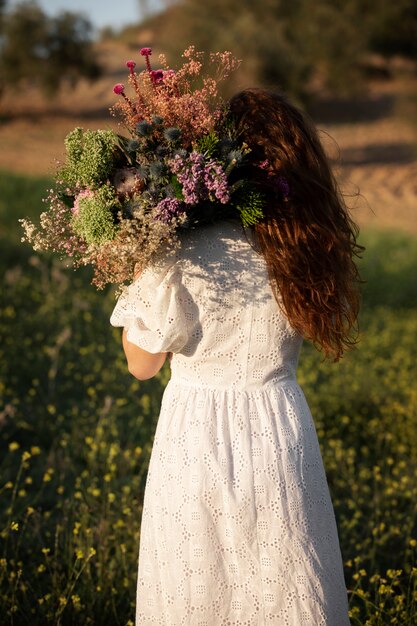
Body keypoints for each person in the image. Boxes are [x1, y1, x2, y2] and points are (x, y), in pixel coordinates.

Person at [110, 88, 361, 625]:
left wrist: (141, 259)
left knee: (196, 581)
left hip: (194, 431)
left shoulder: (179, 250)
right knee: (285, 574)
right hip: (278, 422)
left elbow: (141, 363)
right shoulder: (303, 246)